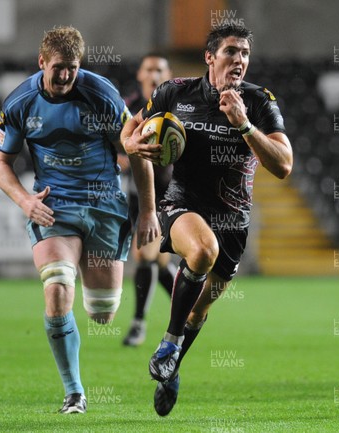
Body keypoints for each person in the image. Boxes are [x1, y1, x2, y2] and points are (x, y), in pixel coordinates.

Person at [121, 23, 293, 416]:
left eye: (245, 53)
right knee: (201, 251)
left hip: (234, 221)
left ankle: (172, 367)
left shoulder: (260, 101)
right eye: (232, 51)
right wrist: (132, 143)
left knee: (200, 311)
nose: (240, 60)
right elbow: (130, 130)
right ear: (210, 57)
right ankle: (167, 341)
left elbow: (283, 165)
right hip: (183, 204)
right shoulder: (174, 92)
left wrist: (245, 125)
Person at [0, 26, 157, 414]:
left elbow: (135, 150)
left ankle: (84, 267)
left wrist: (148, 210)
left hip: (104, 206)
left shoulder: (101, 95)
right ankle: (74, 392)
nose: (66, 75)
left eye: (73, 67)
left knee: (103, 312)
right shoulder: (21, 102)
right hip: (54, 205)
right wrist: (24, 200)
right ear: (41, 62)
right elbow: (1, 162)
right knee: (57, 287)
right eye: (58, 67)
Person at [120, 54, 176, 347]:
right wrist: (121, 157)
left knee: (144, 255)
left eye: (160, 70)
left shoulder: (177, 108)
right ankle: (188, 302)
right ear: (140, 74)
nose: (154, 75)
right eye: (149, 69)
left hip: (168, 197)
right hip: (135, 196)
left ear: (167, 75)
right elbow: (109, 144)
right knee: (161, 262)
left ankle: (138, 325)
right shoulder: (127, 108)